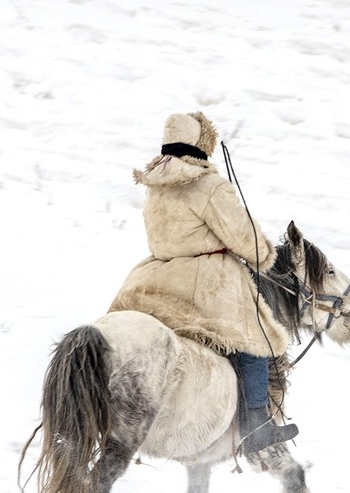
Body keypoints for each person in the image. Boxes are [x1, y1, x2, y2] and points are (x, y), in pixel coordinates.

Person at [107, 112, 298, 453]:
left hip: (153, 278)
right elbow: (247, 240)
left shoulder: (155, 185)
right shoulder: (209, 185)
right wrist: (263, 252)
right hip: (205, 282)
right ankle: (256, 424)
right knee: (254, 338)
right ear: (202, 144)